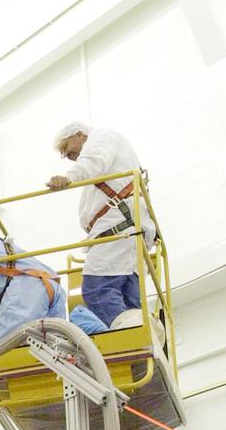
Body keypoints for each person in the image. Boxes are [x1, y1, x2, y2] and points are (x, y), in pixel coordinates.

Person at [47, 122, 155, 328]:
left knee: (97, 289)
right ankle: (140, 337)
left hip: (119, 228)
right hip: (126, 228)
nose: (66, 155)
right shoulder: (111, 154)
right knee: (129, 301)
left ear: (79, 135)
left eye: (66, 148)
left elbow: (93, 160)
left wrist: (69, 177)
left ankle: (129, 338)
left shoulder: (101, 137)